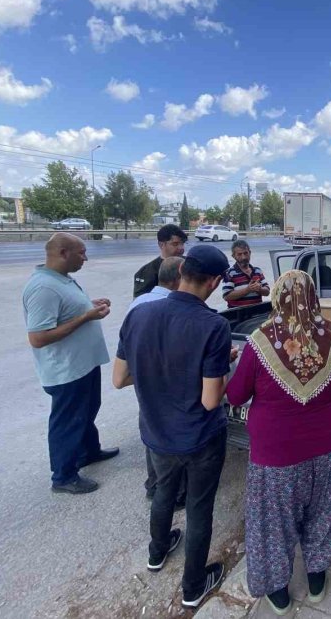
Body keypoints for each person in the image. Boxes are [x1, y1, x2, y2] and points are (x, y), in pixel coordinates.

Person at [112, 245, 236, 609]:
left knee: (163, 491)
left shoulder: (139, 314)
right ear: (214, 282)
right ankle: (193, 587)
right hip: (201, 439)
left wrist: (161, 372)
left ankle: (157, 551)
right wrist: (223, 368)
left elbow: (120, 378)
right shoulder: (214, 326)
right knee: (198, 509)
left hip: (156, 434)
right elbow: (212, 400)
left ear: (182, 270)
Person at [226, 270, 331, 616]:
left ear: (277, 298)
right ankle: (316, 582)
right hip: (327, 442)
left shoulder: (260, 341)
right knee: (324, 511)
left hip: (276, 452)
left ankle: (279, 595)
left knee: (273, 522)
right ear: (312, 296)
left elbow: (236, 395)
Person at [22, 233, 118, 494]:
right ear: (63, 253)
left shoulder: (61, 279)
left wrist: (89, 305)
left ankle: (88, 451)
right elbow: (38, 337)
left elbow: (67, 311)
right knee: (68, 420)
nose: (85, 258)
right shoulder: (43, 288)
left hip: (83, 364)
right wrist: (86, 316)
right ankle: (63, 476)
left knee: (86, 411)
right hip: (66, 370)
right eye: (81, 253)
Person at [127, 256, 188, 507]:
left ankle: (154, 484)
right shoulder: (174, 308)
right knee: (174, 440)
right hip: (170, 384)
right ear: (180, 276)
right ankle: (176, 494)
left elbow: (122, 371)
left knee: (153, 434)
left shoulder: (139, 303)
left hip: (145, 382)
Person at [133, 224, 187, 298]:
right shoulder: (146, 272)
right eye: (175, 244)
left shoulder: (189, 265)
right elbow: (141, 304)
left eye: (182, 243)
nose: (181, 248)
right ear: (161, 245)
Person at [222, 239, 270, 309]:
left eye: (245, 253)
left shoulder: (257, 271)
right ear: (233, 256)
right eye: (239, 254)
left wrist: (260, 289)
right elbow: (226, 296)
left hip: (258, 313)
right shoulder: (229, 273)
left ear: (249, 253)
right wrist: (248, 290)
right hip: (238, 316)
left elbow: (267, 292)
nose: (243, 257)